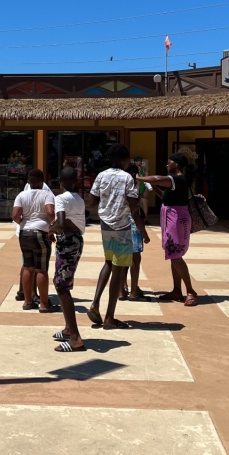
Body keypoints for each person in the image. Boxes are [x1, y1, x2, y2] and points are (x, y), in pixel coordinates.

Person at [86, 144, 139, 329]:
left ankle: (95, 303)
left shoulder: (101, 175)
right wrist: (143, 228)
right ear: (125, 160)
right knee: (118, 268)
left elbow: (92, 202)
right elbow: (133, 206)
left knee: (108, 262)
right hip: (122, 226)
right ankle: (109, 317)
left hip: (104, 224)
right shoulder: (127, 178)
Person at [138, 153, 199, 306]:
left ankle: (191, 291)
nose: (166, 165)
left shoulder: (177, 179)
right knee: (173, 254)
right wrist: (153, 188)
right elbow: (165, 197)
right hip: (172, 217)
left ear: (176, 164)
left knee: (176, 255)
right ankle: (177, 290)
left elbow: (158, 178)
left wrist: (138, 178)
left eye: (168, 162)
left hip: (177, 219)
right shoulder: (177, 181)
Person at [50, 167, 86, 351]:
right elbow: (72, 221)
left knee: (62, 286)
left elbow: (62, 224)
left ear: (60, 182)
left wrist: (50, 230)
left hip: (68, 242)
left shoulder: (60, 198)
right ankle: (67, 329)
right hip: (76, 240)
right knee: (61, 282)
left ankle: (75, 338)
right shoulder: (79, 199)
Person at [12, 168, 56, 312]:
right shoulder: (47, 194)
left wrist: (23, 223)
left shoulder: (21, 195)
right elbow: (50, 212)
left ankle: (27, 301)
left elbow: (15, 215)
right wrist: (52, 227)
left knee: (28, 266)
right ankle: (44, 304)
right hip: (40, 232)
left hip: (25, 233)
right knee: (41, 269)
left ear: (29, 182)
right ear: (42, 181)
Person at [120, 162, 151, 300]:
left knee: (120, 260)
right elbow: (136, 213)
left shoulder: (118, 187)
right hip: (132, 226)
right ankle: (133, 292)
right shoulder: (131, 188)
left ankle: (121, 290)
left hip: (118, 225)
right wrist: (144, 232)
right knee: (135, 261)